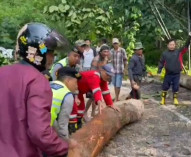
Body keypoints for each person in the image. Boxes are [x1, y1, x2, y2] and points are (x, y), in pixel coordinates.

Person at [0, 23, 76, 157]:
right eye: (51, 52)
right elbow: (40, 133)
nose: (53, 57)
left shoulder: (3, 72)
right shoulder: (37, 81)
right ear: (37, 52)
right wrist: (64, 148)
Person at [76, 64, 119, 129]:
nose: (108, 77)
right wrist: (99, 102)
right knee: (77, 109)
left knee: (81, 110)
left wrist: (111, 104)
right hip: (74, 89)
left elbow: (105, 92)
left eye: (110, 76)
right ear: (102, 71)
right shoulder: (95, 75)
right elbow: (96, 90)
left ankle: (78, 126)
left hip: (80, 91)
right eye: (107, 75)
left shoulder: (103, 80)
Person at [158, 31, 191, 105]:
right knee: (165, 86)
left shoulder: (179, 52)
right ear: (168, 45)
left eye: (173, 44)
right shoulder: (165, 53)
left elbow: (185, 46)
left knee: (176, 87)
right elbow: (161, 62)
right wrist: (159, 70)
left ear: (175, 45)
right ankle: (163, 99)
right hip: (168, 74)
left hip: (176, 74)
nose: (172, 46)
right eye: (170, 44)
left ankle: (175, 99)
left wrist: (189, 37)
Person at [82, 45, 112, 121]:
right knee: (92, 97)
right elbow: (93, 72)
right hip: (93, 79)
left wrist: (107, 79)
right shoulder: (96, 59)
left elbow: (107, 70)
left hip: (101, 79)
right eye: (104, 51)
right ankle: (85, 113)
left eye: (107, 51)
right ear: (100, 52)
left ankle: (93, 113)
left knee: (96, 97)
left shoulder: (106, 58)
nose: (106, 53)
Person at [50, 67, 81, 140]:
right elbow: (62, 126)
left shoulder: (47, 84)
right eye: (76, 82)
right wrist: (67, 143)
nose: (77, 86)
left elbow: (51, 115)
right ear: (68, 80)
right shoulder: (67, 94)